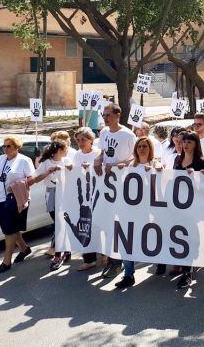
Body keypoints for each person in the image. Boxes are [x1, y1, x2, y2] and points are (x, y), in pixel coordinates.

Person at [93, 104, 137, 279]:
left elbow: (136, 156)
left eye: (109, 115)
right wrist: (98, 159)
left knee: (121, 224)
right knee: (108, 222)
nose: (105, 118)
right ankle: (112, 259)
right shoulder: (103, 133)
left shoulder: (128, 135)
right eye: (104, 115)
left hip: (123, 184)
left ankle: (120, 263)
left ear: (118, 115)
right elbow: (103, 153)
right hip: (107, 184)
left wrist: (122, 165)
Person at [112, 137, 162, 289]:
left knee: (151, 239)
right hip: (130, 210)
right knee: (127, 242)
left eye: (145, 146)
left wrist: (155, 169)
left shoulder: (154, 163)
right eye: (139, 146)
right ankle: (128, 274)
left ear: (150, 148)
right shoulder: (130, 165)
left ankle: (161, 260)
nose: (141, 149)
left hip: (149, 211)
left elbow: (161, 171)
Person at [0, 136, 36, 274]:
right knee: (10, 228)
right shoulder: (0, 159)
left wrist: (16, 186)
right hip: (1, 199)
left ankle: (6, 262)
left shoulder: (24, 160)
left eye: (9, 146)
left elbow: (32, 179)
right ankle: (24, 249)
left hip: (16, 198)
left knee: (9, 230)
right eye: (4, 146)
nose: (6, 149)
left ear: (17, 147)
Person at [168, 131, 204, 288]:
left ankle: (188, 272)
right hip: (179, 205)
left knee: (191, 236)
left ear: (196, 144)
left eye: (189, 142)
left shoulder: (201, 162)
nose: (185, 145)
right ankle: (186, 266)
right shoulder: (178, 160)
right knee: (181, 236)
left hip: (194, 207)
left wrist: (200, 174)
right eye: (183, 142)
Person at [31, 139, 72, 271]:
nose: (67, 151)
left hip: (66, 193)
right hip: (53, 194)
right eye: (66, 148)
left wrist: (70, 168)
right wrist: (48, 172)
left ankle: (63, 251)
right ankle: (59, 253)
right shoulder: (46, 162)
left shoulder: (67, 160)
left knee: (64, 224)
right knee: (58, 224)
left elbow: (75, 173)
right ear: (59, 150)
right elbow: (35, 179)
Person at [71, 127, 102, 271]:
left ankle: (105, 254)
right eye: (77, 140)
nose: (80, 142)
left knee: (100, 225)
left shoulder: (98, 153)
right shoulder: (77, 155)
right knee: (85, 226)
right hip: (83, 196)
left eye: (83, 139)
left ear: (91, 140)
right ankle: (89, 259)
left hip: (99, 194)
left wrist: (90, 168)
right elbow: (75, 174)